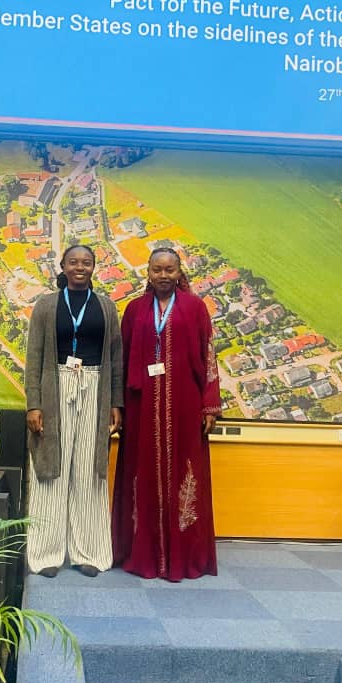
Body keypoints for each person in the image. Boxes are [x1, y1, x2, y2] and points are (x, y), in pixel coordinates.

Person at [112, 247, 221, 581]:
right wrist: (118, 405)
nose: (163, 275)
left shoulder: (194, 308)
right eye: (157, 270)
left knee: (184, 474)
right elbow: (122, 361)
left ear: (179, 272)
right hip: (140, 405)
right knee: (141, 472)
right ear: (148, 272)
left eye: (169, 270)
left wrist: (210, 405)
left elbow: (209, 356)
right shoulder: (134, 310)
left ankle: (184, 556)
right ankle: (140, 554)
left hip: (185, 406)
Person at [25, 244, 123, 578]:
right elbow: (33, 358)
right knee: (51, 470)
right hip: (56, 387)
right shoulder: (46, 306)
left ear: (94, 267)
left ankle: (87, 552)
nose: (80, 267)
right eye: (73, 262)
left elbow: (116, 360)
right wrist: (34, 403)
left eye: (86, 263)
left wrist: (115, 403)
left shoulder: (107, 308)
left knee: (87, 471)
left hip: (94, 387)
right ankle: (47, 554)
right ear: (63, 267)